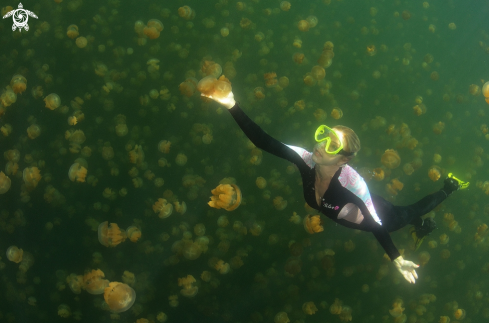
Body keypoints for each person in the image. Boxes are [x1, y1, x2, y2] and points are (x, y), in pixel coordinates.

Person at [203, 90, 469, 284]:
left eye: (331, 145)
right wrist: (231, 104)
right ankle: (422, 225)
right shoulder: (306, 159)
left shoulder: (354, 186)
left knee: (409, 213)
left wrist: (397, 259)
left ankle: (449, 187)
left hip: (382, 215)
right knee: (412, 217)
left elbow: (376, 225)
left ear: (344, 159)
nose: (319, 146)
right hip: (360, 210)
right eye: (323, 136)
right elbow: (264, 141)